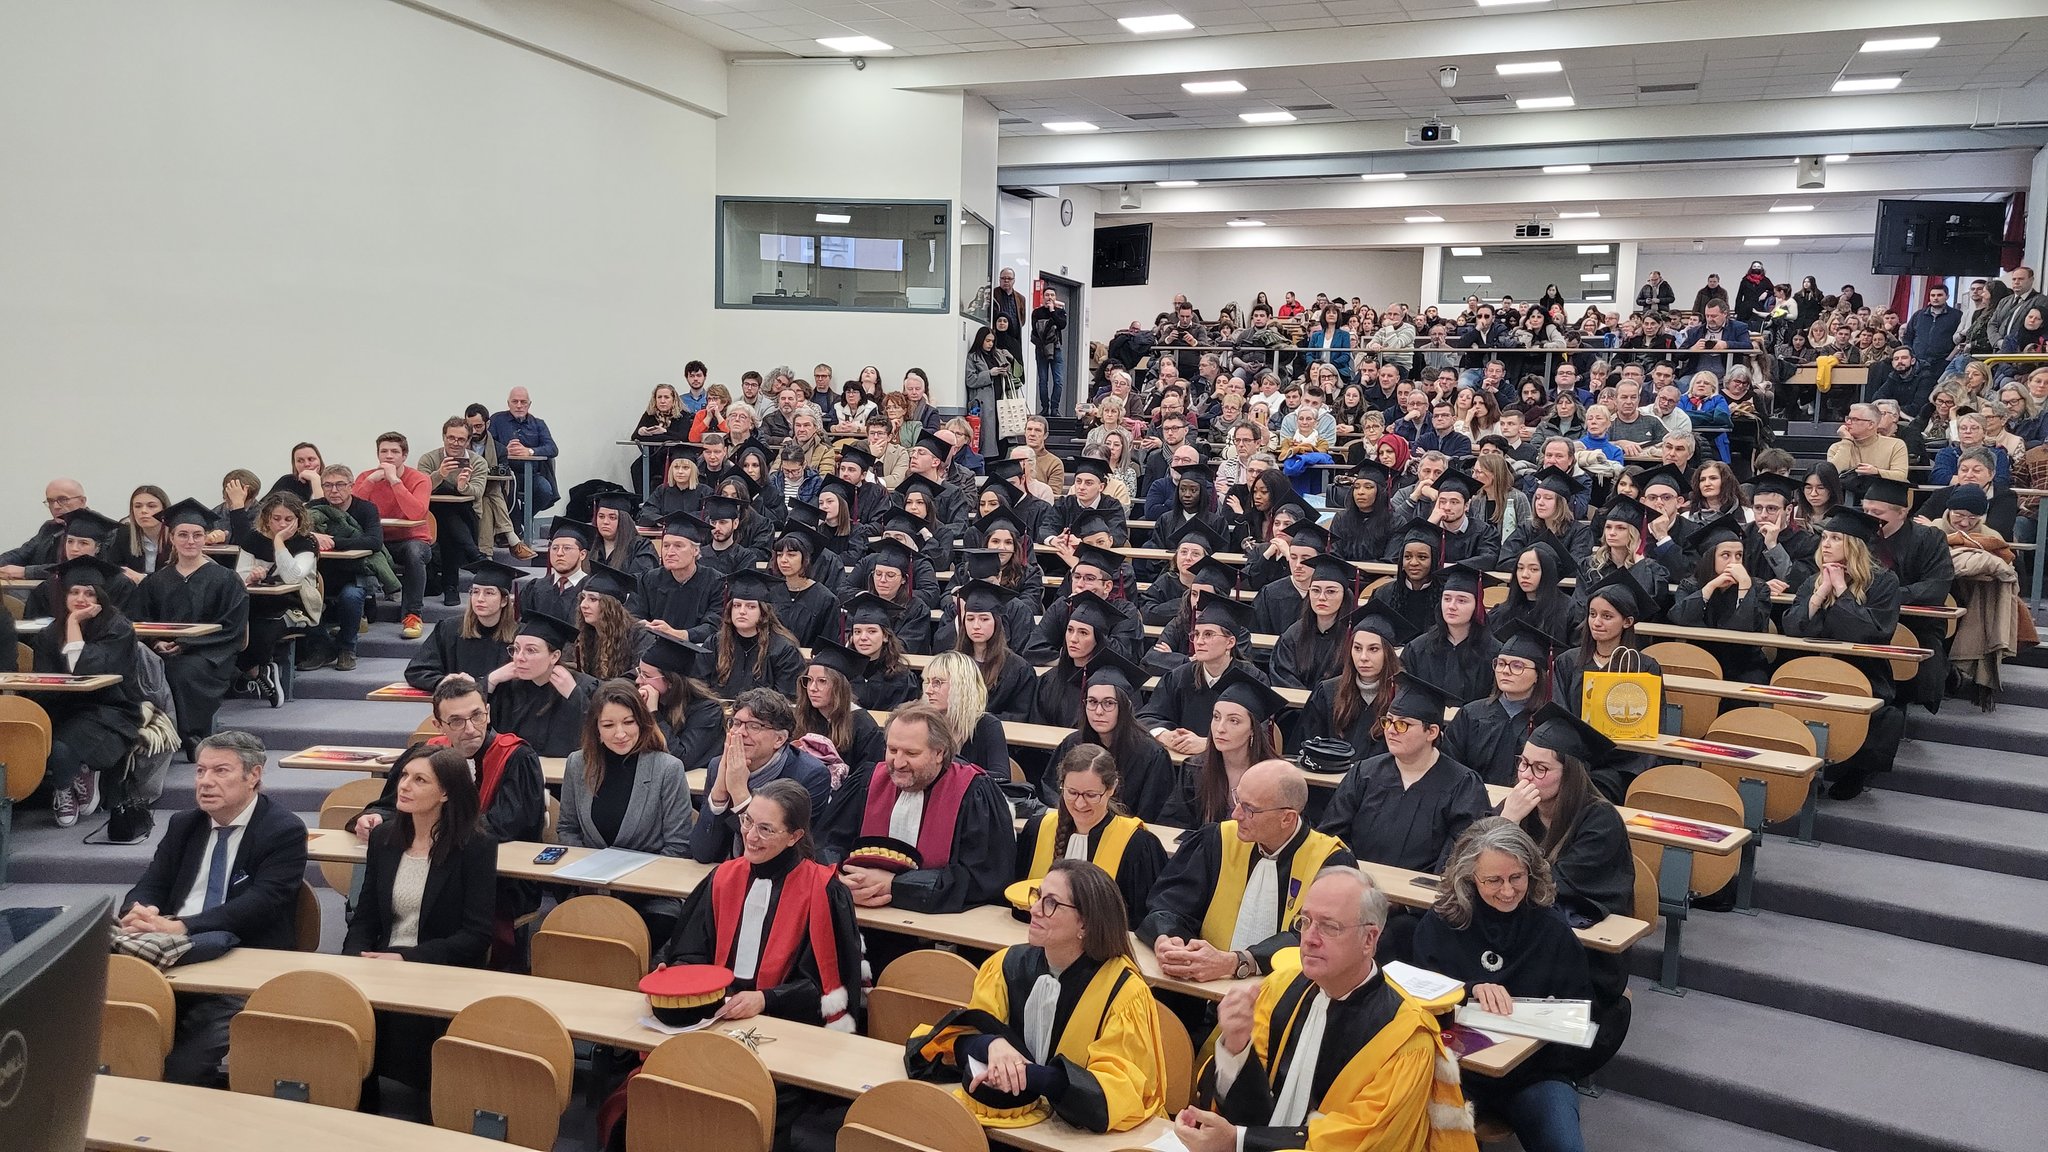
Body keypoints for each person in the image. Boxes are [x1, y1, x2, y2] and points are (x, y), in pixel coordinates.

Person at [1176, 867, 1477, 1152]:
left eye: (1329, 926)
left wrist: (1238, 1141)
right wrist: (1238, 1048)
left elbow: (1360, 1140)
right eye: (1305, 921)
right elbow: (1254, 1115)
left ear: (1369, 939)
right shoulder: (1280, 988)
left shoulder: (1405, 1036)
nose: (1309, 938)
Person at [907, 859, 1167, 1133]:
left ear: (1086, 925)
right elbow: (957, 1038)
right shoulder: (1006, 965)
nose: (1034, 909)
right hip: (1015, 1124)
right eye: (1038, 896)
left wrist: (1022, 1074)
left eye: (1051, 903)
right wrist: (993, 1045)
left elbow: (1117, 1093)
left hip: (1081, 1138)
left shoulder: (1124, 992)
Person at [118, 731, 307, 1086]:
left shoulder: (283, 830)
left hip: (241, 962)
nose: (205, 782)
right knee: (119, 1049)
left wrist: (182, 926)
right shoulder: (184, 824)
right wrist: (137, 910)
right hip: (169, 955)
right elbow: (153, 882)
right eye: (200, 771)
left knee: (182, 1071)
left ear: (254, 776)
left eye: (220, 771)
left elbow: (261, 904)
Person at [1411, 819, 1596, 1152]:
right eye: (1493, 880)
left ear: (1531, 873)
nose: (1508, 890)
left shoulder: (1552, 931)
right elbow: (1416, 1001)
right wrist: (1468, 991)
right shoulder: (1443, 922)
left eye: (1517, 877)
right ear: (1469, 878)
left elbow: (1579, 1013)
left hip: (1534, 1075)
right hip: (1457, 1071)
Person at [1144, 757, 1356, 981]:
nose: (1236, 814)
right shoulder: (1217, 840)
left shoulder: (1330, 863)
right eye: (1238, 800)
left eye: (1249, 809)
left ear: (1287, 818)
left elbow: (1312, 938)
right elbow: (1170, 904)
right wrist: (1167, 939)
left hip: (1289, 993)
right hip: (1204, 985)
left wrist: (1237, 962)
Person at [824, 705, 1018, 917]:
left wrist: (896, 886)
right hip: (861, 916)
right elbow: (826, 844)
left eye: (911, 753)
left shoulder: (973, 794)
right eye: (892, 750)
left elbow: (982, 878)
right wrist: (840, 883)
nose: (898, 763)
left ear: (939, 753)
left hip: (938, 926)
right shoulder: (867, 781)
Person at [557, 680, 698, 941]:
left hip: (650, 895)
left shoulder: (668, 768)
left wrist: (625, 882)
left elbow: (678, 847)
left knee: (625, 940)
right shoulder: (577, 764)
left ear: (642, 723)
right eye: (608, 725)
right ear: (596, 730)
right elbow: (567, 828)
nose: (620, 733)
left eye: (628, 722)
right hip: (592, 890)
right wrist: (590, 873)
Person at [1321, 671, 1490, 877]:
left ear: (1432, 732)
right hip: (1355, 890)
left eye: (1403, 724)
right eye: (1388, 721)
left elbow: (1460, 857)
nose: (1391, 730)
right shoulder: (1363, 774)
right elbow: (1332, 836)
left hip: (1422, 903)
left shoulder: (1463, 786)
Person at [33, 556, 145, 828]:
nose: (80, 598)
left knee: (61, 749)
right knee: (38, 734)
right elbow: (44, 680)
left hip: (109, 710)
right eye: (74, 592)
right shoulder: (49, 632)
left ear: (102, 596)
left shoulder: (117, 627)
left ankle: (65, 785)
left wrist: (73, 624)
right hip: (64, 706)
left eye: (89, 593)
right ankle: (77, 774)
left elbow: (85, 670)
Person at [137, 499, 250, 759]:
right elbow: (139, 619)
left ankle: (189, 735)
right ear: (172, 538)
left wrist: (187, 645)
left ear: (204, 538)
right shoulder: (156, 581)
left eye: (197, 535)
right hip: (162, 651)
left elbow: (232, 627)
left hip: (211, 655)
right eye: (183, 535)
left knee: (181, 670)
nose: (190, 541)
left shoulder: (225, 579)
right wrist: (156, 642)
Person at [1014, 745, 1168, 931]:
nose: (1080, 803)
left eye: (1091, 795)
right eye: (1072, 792)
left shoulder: (1136, 844)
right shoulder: (1038, 830)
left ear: (1111, 789)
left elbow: (1141, 921)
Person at [689, 686, 832, 864]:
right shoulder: (718, 766)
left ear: (779, 739)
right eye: (736, 723)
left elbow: (789, 856)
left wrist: (740, 795)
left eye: (754, 726)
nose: (740, 733)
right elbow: (703, 853)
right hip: (728, 873)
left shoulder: (810, 776)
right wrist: (719, 791)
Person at [1442, 623, 1561, 787]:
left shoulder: (1548, 723)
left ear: (1538, 676)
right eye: (1501, 663)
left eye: (1517, 666)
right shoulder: (1470, 714)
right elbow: (1450, 765)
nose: (1505, 671)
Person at [346, 431, 432, 638]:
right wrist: (370, 482)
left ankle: (412, 615)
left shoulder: (420, 479)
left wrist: (395, 481)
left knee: (414, 552)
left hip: (411, 540)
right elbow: (350, 511)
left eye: (395, 451)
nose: (389, 456)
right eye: (384, 451)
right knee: (354, 550)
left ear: (404, 455)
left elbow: (416, 513)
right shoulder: (366, 477)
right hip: (377, 540)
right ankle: (360, 614)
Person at [1670, 514, 1773, 682]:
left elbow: (1752, 628)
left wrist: (1745, 586)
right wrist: (1710, 587)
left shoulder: (1759, 587)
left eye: (1739, 555)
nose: (1734, 562)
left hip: (1745, 664)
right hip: (1699, 660)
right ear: (1710, 558)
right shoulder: (1691, 586)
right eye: (1726, 555)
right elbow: (1681, 618)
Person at [484, 610, 596, 758]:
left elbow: (597, 731)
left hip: (564, 776)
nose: (519, 658)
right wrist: (490, 681)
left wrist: (575, 695)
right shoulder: (506, 687)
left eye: (531, 650)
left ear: (554, 656)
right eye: (516, 649)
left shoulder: (585, 686)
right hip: (517, 775)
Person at [304, 465, 382, 672]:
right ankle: (322, 647)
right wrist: (313, 537)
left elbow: (374, 542)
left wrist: (333, 541)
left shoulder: (366, 509)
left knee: (351, 596)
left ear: (351, 486)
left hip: (355, 572)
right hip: (320, 573)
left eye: (340, 485)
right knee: (302, 595)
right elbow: (296, 536)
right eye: (327, 485)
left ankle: (347, 648)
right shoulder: (313, 507)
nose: (334, 490)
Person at [405, 559, 519, 692]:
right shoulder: (449, 629)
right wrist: (442, 681)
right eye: (475, 591)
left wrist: (483, 683)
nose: (480, 598)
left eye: (489, 593)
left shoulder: (520, 636)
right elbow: (416, 670)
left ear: (504, 600)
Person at [418, 416, 488, 606]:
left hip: (467, 517)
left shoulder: (478, 462)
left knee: (449, 514)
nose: (455, 443)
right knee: (444, 515)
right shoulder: (429, 459)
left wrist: (463, 486)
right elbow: (420, 489)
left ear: (468, 441)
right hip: (435, 517)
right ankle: (472, 559)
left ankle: (451, 587)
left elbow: (477, 492)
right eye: (451, 438)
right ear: (443, 437)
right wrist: (440, 474)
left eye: (461, 439)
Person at [490, 386, 560, 535]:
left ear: (529, 404)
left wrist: (529, 451)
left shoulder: (538, 424)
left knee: (545, 490)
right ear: (508, 403)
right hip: (506, 474)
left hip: (532, 474)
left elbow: (552, 448)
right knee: (507, 491)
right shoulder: (497, 420)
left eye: (523, 402)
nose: (519, 405)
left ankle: (522, 519)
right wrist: (505, 450)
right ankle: (514, 530)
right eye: (515, 401)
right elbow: (487, 444)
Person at [0, 478, 87, 580]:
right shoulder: (50, 527)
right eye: (50, 501)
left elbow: (75, 568)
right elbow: (22, 554)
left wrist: (26, 572)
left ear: (82, 501)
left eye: (63, 500)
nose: (55, 506)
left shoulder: (97, 531)